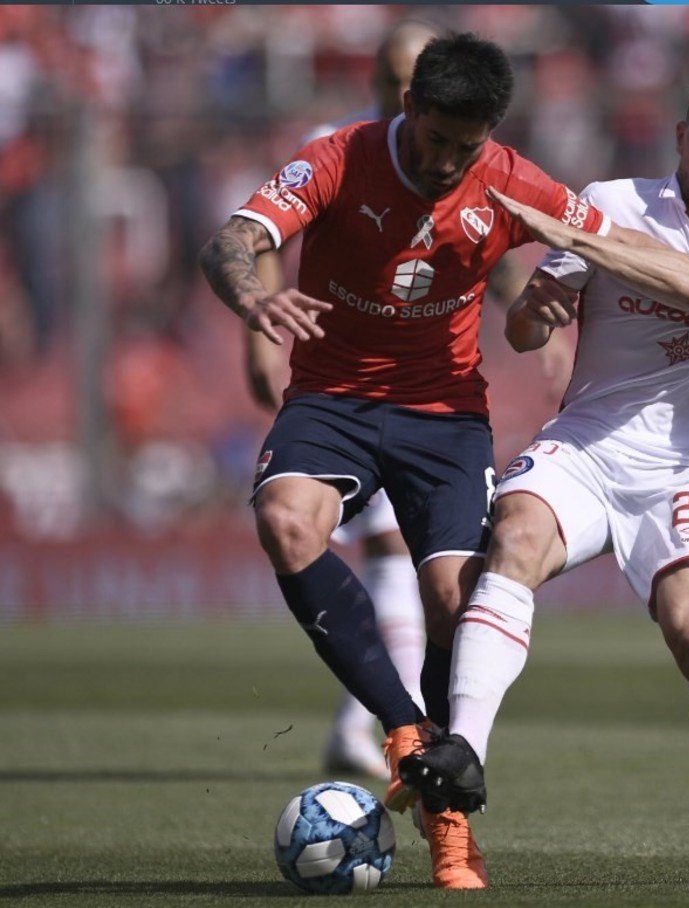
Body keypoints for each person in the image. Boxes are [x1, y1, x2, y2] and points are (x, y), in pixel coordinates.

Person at [198, 32, 616, 890]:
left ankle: (449, 825)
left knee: (456, 601)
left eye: (467, 147)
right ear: (408, 107)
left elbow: (616, 244)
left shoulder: (510, 177)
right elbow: (230, 242)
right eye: (435, 140)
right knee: (286, 520)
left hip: (445, 416)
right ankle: (405, 730)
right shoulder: (338, 158)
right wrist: (255, 300)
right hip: (332, 400)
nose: (447, 162)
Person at [398, 63, 689, 884]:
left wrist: (578, 237)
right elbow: (525, 331)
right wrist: (537, 311)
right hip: (588, 443)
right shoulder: (613, 200)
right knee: (515, 537)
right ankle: (464, 751)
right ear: (680, 136)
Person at [245, 19, 440, 784]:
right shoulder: (334, 146)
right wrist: (259, 339)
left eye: (416, 79)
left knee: (396, 550)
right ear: (376, 79)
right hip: (342, 383)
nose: (403, 92)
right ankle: (382, 725)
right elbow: (263, 237)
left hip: (417, 380)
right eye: (393, 77)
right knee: (378, 548)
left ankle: (370, 725)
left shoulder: (456, 150)